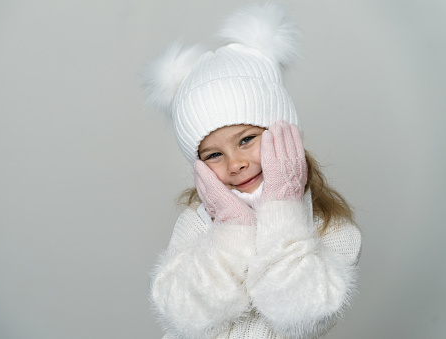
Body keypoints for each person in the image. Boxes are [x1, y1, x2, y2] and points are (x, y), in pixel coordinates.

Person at [143, 2, 361, 338]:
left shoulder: (331, 228)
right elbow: (181, 313)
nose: (235, 164)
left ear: (284, 134)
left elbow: (304, 315)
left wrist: (283, 209)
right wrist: (231, 231)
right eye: (214, 154)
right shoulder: (199, 222)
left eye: (246, 139)